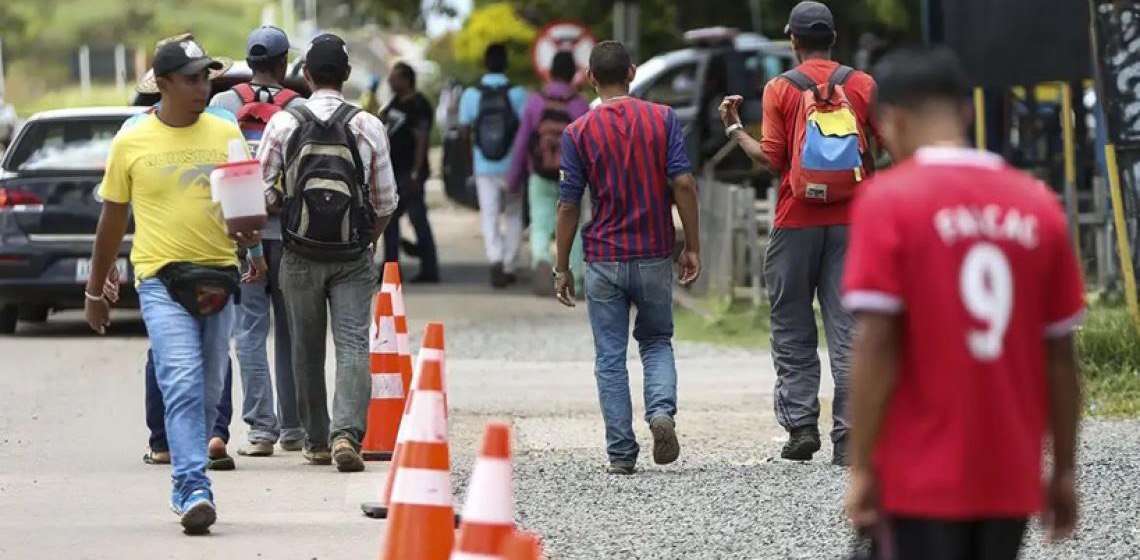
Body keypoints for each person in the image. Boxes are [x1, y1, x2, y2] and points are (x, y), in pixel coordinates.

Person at [843, 47, 1083, 559]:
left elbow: (878, 344)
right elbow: (1061, 357)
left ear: (891, 121)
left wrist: (862, 467)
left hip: (917, 473)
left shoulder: (888, 202)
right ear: (967, 113)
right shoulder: (1037, 204)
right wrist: (1062, 469)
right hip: (1010, 472)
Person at [84, 37, 258, 534]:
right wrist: (95, 293)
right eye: (192, 78)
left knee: (208, 391)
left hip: (218, 278)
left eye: (207, 76)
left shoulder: (226, 130)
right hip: (160, 279)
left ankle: (187, 477)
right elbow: (111, 222)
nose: (204, 86)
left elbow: (242, 211)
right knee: (180, 381)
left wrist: (252, 243)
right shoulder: (131, 140)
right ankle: (193, 485)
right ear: (162, 85)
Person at [719, 0, 883, 465]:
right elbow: (890, 145)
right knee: (849, 326)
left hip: (795, 222)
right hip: (853, 223)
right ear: (833, 38)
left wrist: (734, 130)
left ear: (793, 40)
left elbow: (772, 159)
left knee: (791, 323)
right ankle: (850, 436)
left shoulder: (781, 89)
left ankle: (802, 427)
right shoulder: (863, 84)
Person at [555, 41, 701, 475]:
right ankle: (661, 413)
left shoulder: (577, 133)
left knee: (610, 356)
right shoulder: (662, 119)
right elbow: (685, 184)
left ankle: (621, 453)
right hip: (654, 252)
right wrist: (691, 244)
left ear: (591, 79)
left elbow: (567, 205)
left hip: (603, 258)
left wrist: (562, 266)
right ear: (633, 72)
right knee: (656, 341)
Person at [258, 33, 398, 472]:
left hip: (297, 251)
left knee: (305, 345)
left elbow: (261, 192)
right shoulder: (368, 124)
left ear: (305, 75)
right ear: (348, 75)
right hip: (352, 252)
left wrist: (282, 204)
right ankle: (347, 436)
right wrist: (368, 239)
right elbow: (386, 200)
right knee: (354, 343)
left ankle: (317, 440)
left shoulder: (283, 122)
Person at [210, 24, 307, 457]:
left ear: (248, 62)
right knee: (291, 331)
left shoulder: (221, 104)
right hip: (289, 233)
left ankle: (260, 430)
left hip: (241, 232)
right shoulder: (301, 107)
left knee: (249, 330)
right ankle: (293, 429)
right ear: (284, 63)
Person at [508, 51, 590, 296]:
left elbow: (523, 141)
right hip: (573, 177)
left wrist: (514, 178)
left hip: (540, 174)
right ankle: (574, 272)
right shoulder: (579, 104)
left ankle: (542, 259)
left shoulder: (535, 101)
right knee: (572, 225)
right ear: (573, 74)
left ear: (551, 71)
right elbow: (589, 145)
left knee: (541, 224)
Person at [459, 43, 528, 288]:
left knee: (488, 215)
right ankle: (510, 265)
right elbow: (525, 132)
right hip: (512, 165)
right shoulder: (519, 94)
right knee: (513, 214)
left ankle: (495, 259)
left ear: (484, 64)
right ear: (506, 64)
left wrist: (469, 165)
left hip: (483, 165)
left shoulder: (471, 95)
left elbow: (465, 132)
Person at [381, 62, 440, 283]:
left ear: (407, 80)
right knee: (390, 221)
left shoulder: (419, 105)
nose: (391, 81)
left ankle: (429, 268)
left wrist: (416, 172)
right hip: (392, 169)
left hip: (409, 171)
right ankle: (391, 269)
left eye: (395, 78)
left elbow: (421, 140)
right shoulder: (394, 102)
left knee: (418, 219)